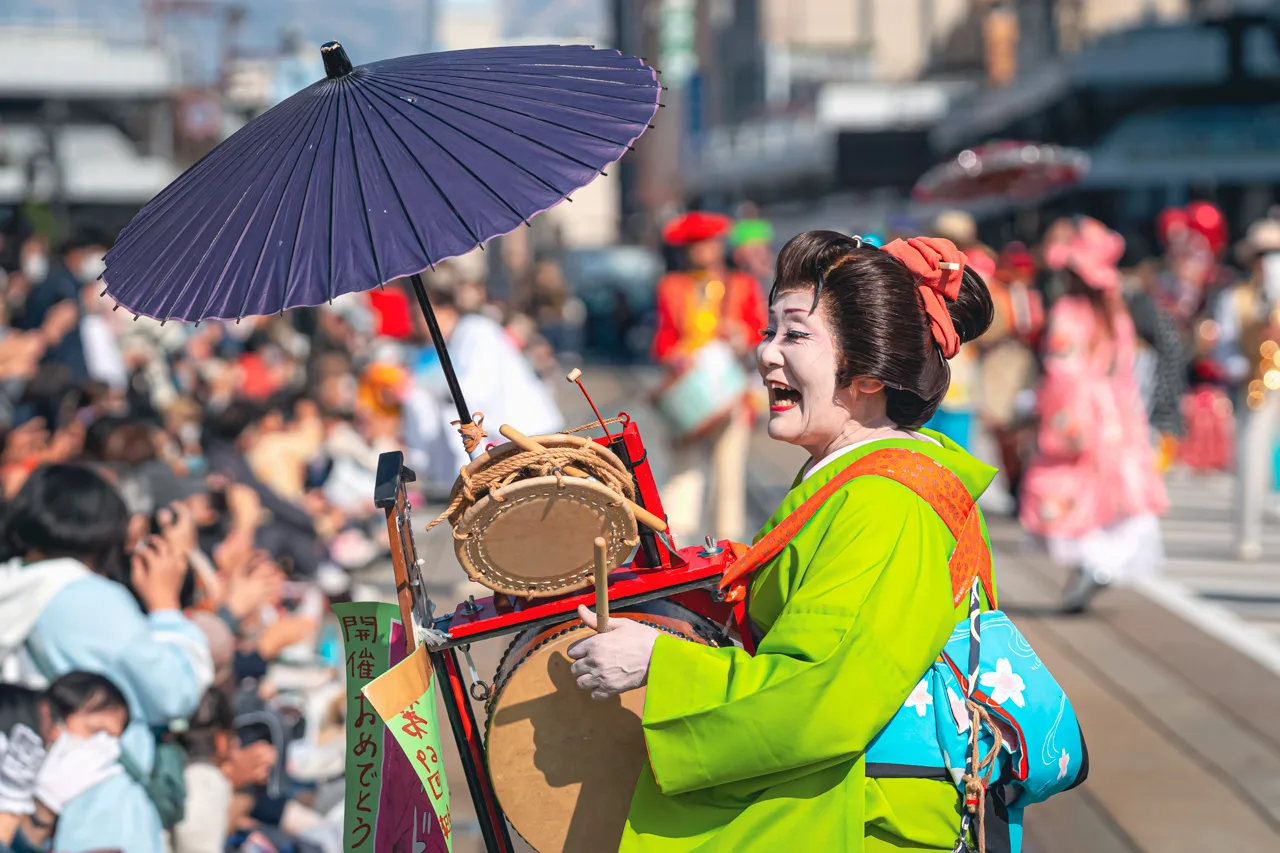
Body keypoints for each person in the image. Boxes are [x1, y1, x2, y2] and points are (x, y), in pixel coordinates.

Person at [567, 229, 999, 851]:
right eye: (770, 331)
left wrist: (659, 663)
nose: (766, 353)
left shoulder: (889, 503)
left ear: (869, 372)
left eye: (795, 335)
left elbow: (819, 695)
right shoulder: (861, 476)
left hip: (861, 821)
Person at [0, 464, 211, 853]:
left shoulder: (15, 585)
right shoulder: (86, 599)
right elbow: (174, 691)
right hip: (100, 811)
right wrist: (166, 605)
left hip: (31, 804)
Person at [1020, 218, 1169, 611]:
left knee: (1069, 490)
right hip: (1118, 413)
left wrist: (1046, 410)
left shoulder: (1069, 310)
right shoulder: (1116, 310)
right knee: (1117, 497)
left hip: (1077, 412)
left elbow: (1061, 367)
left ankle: (1091, 565)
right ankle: (1100, 565)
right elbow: (1125, 366)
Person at [651, 212, 767, 544]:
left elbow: (759, 331)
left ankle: (727, 547)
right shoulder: (671, 287)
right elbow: (662, 339)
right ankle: (675, 540)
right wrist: (672, 354)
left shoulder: (742, 285)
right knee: (682, 472)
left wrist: (741, 335)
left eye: (708, 243)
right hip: (689, 396)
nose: (703, 250)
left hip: (730, 395)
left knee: (729, 475)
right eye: (695, 245)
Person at [0, 672, 131, 852]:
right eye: (94, 731)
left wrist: (46, 805)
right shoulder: (17, 727)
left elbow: (17, 843)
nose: (95, 750)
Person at [1216, 215, 1280, 559]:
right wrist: (1242, 368)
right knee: (1251, 459)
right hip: (1257, 387)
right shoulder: (1236, 298)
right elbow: (1223, 346)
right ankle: (1247, 533)